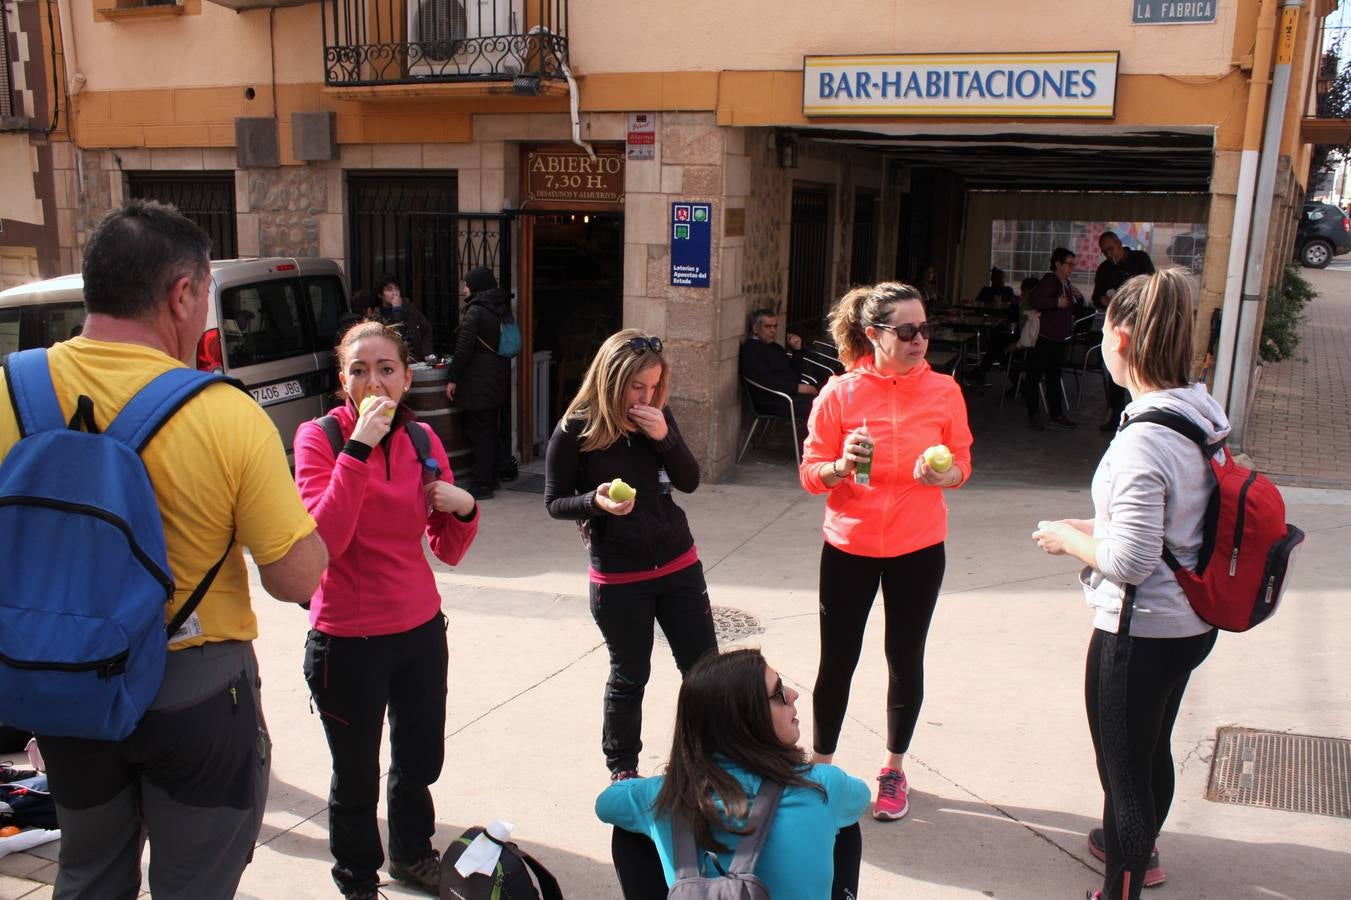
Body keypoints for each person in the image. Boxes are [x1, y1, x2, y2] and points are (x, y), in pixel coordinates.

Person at [0, 200, 328, 899]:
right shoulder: (223, 411)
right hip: (196, 693)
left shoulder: (7, 389)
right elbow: (295, 576)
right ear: (182, 293)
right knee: (195, 885)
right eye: (206, 294)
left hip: (58, 686)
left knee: (87, 871)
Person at [1032, 269, 1225, 900]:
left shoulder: (1143, 440)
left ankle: (1123, 881)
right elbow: (1176, 524)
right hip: (1190, 624)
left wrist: (1070, 541)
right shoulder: (1199, 415)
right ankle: (1136, 849)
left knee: (1124, 773)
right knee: (1150, 749)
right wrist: (1095, 524)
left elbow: (1132, 561)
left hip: (1139, 630)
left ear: (1119, 336)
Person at [294, 320, 481, 899]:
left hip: (420, 629)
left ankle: (411, 854)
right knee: (355, 775)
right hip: (347, 639)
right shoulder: (319, 438)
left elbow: (447, 549)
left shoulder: (423, 441)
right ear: (343, 379)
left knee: (419, 760)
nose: (373, 381)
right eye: (359, 369)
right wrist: (358, 449)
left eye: (386, 369)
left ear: (406, 376)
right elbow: (326, 538)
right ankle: (356, 878)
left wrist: (465, 507)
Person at [799, 282, 972, 822]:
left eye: (925, 328)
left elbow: (963, 464)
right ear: (874, 334)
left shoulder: (945, 391)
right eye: (907, 330)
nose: (920, 339)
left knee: (905, 657)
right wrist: (839, 467)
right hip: (849, 545)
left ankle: (894, 768)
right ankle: (822, 766)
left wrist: (946, 473)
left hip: (918, 547)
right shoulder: (840, 394)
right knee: (839, 660)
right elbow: (810, 473)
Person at [544, 329, 718, 782]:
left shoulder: (659, 418)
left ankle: (709, 759)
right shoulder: (575, 430)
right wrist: (593, 502)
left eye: (654, 386)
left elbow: (690, 481)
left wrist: (665, 437)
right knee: (630, 675)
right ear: (610, 379)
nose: (646, 396)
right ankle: (623, 769)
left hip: (678, 562)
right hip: (619, 576)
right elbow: (554, 502)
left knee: (704, 671)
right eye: (636, 387)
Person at [597, 649, 870, 900]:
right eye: (779, 694)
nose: (793, 694)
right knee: (845, 826)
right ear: (747, 719)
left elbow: (606, 803)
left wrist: (664, 784)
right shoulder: (821, 784)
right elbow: (861, 796)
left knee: (629, 832)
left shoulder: (662, 795)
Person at [445, 266, 512, 500]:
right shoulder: (502, 306)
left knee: (479, 432)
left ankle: (482, 484)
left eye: (467, 284)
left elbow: (464, 349)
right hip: (497, 375)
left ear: (476, 286)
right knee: (489, 430)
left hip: (478, 379)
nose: (464, 289)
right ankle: (491, 477)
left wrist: (453, 377)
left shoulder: (476, 311)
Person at [1092, 232, 1156, 432]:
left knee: (1142, 370)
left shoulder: (1140, 260)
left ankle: (1145, 415)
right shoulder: (1104, 269)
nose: (1109, 254)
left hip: (1140, 324)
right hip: (1118, 325)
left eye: (1111, 249)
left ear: (1119, 244)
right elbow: (1096, 297)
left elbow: (1153, 287)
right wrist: (1104, 300)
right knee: (1116, 371)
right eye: (1104, 252)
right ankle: (1116, 415)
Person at [1023, 247, 1083, 430]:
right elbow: (1034, 301)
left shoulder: (1065, 283)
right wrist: (1056, 302)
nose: (1072, 268)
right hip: (1044, 338)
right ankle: (1034, 414)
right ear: (1058, 264)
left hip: (1058, 338)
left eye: (1073, 264)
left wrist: (1078, 299)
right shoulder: (1050, 280)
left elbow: (1071, 309)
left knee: (1054, 378)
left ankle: (1055, 414)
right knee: (1034, 377)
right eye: (1069, 264)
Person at [738, 308, 818, 420]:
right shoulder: (750, 350)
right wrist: (797, 387)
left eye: (775, 326)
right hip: (774, 401)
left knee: (830, 402)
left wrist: (796, 350)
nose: (773, 331)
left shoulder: (776, 348)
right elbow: (766, 380)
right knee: (823, 409)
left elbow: (794, 375)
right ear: (755, 328)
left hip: (790, 396)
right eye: (768, 327)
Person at [373, 275, 435, 361]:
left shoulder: (409, 307)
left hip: (414, 360)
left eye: (397, 289)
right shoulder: (376, 316)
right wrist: (396, 310)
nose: (395, 293)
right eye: (389, 290)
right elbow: (398, 335)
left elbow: (427, 329)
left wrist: (427, 352)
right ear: (380, 295)